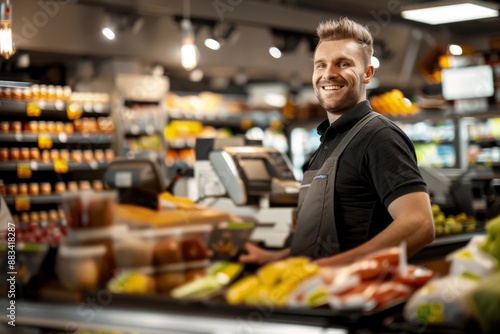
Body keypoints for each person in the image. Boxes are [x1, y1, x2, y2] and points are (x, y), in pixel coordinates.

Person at [239, 17, 434, 267]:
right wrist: (275, 260)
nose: (328, 74)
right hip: (314, 297)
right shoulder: (329, 140)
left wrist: (323, 271)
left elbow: (419, 224)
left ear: (368, 74)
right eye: (321, 65)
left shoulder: (379, 136)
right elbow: (323, 240)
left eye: (343, 63)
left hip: (353, 300)